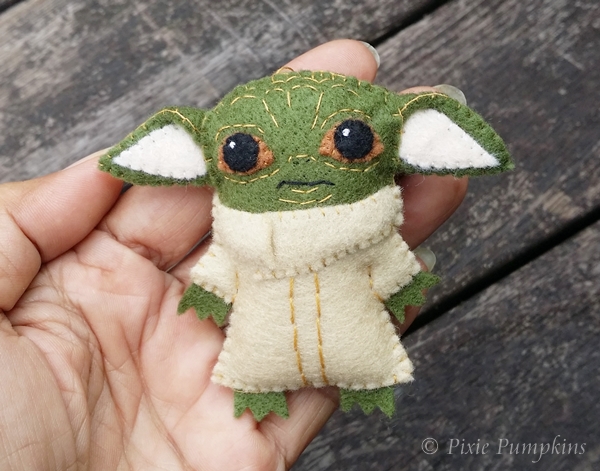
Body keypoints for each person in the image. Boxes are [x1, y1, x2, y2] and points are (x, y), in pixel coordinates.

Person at [0, 40, 467, 470]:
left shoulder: (366, 226)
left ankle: (336, 383)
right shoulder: (242, 236)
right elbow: (226, 267)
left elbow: (386, 265)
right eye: (244, 154)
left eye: (351, 142)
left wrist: (401, 279)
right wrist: (211, 291)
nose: (298, 172)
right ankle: (263, 390)